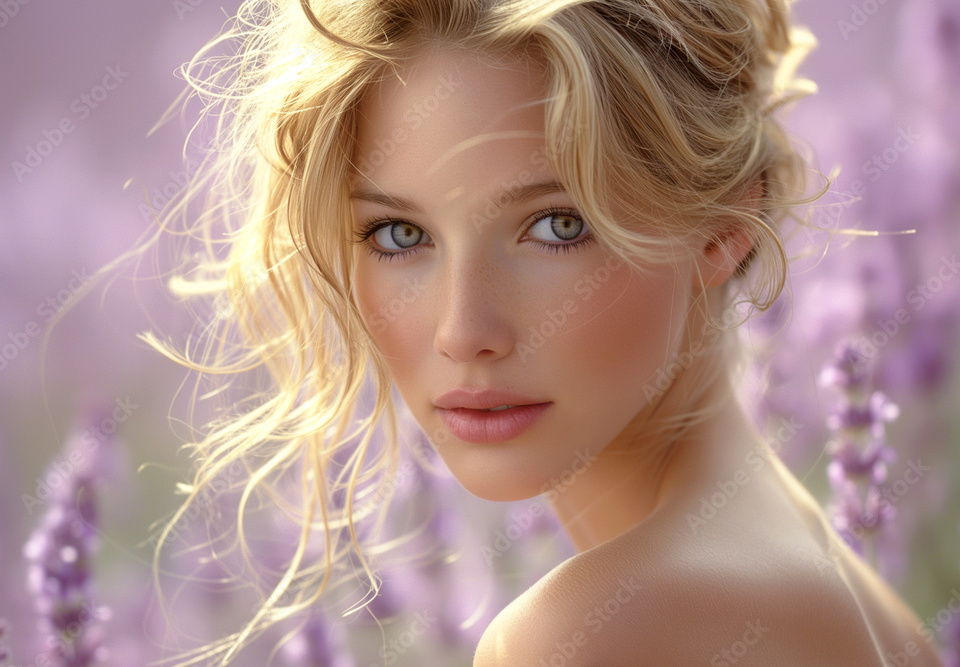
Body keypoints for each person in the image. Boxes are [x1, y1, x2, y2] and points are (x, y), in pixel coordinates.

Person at [149, 0, 944, 664]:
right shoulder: (865, 608)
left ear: (723, 225)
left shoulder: (596, 635)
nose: (464, 331)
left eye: (556, 225)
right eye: (397, 235)